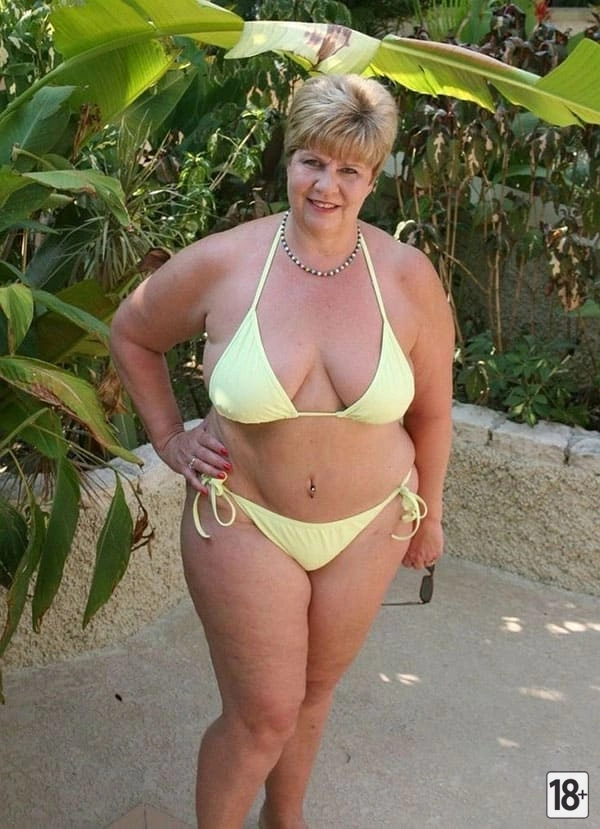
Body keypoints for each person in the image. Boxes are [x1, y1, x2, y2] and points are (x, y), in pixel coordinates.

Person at [110, 73, 454, 829]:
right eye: (311, 162)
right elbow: (133, 332)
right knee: (263, 712)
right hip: (245, 517)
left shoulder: (408, 277)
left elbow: (432, 413)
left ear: (374, 176)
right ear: (288, 158)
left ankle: (284, 818)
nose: (326, 186)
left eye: (349, 170)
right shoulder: (226, 262)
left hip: (370, 525)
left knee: (313, 694)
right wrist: (169, 437)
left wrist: (429, 514)